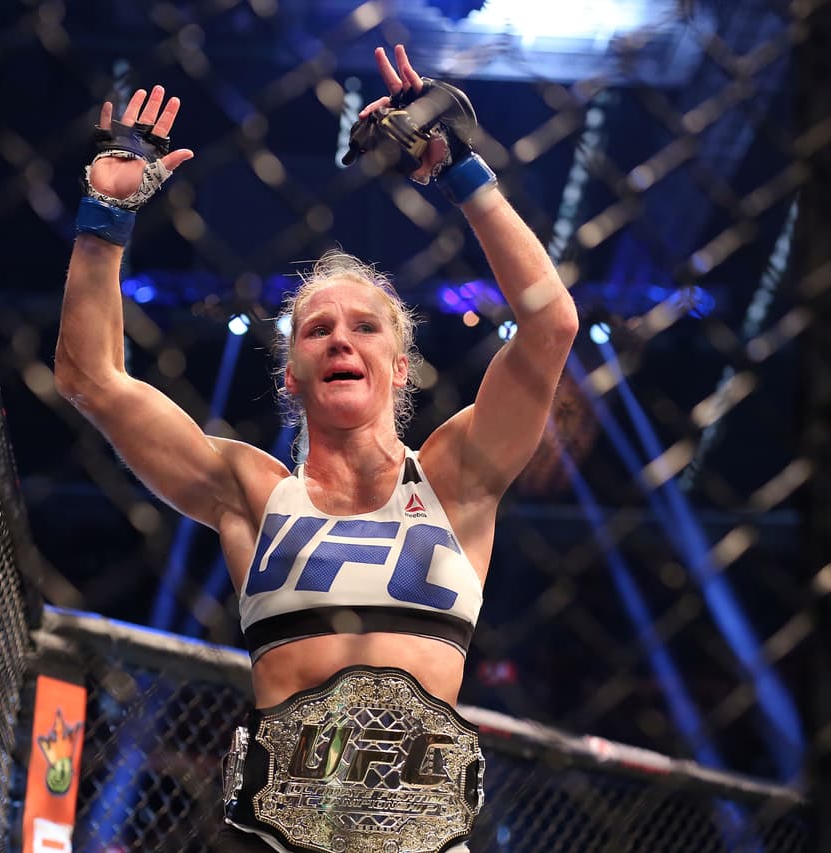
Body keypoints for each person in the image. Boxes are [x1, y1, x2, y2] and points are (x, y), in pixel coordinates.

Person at [55, 44, 578, 853]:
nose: (341, 338)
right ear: (292, 374)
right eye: (317, 328)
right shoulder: (251, 492)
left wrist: (462, 172)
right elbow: (91, 377)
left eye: (365, 326)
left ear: (398, 366)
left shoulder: (454, 479)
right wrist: (104, 216)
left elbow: (550, 327)